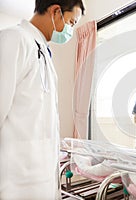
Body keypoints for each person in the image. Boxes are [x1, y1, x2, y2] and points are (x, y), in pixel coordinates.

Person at [0, 0, 85, 199]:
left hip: (41, 178)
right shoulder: (14, 39)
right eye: (72, 22)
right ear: (56, 11)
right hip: (15, 182)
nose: (71, 30)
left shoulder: (44, 51)